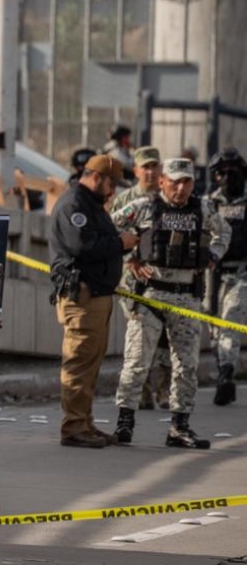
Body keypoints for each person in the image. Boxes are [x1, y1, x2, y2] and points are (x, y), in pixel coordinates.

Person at [110, 157, 229, 449]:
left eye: (186, 182)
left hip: (187, 297)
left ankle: (179, 427)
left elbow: (224, 231)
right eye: (174, 182)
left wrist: (213, 255)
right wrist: (130, 258)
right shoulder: (144, 206)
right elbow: (110, 227)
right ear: (162, 181)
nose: (180, 188)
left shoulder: (203, 209)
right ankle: (124, 422)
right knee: (137, 361)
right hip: (150, 296)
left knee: (186, 365)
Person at [50, 155, 138, 448]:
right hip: (82, 296)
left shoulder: (91, 205)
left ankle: (84, 422)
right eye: (112, 184)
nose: (113, 191)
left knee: (90, 362)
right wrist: (120, 243)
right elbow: (82, 246)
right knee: (79, 362)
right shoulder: (74, 204)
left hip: (96, 295)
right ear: (97, 177)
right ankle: (74, 427)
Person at [110, 146, 171, 410]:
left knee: (166, 337)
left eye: (154, 166)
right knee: (140, 337)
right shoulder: (125, 200)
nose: (150, 172)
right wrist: (129, 259)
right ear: (135, 170)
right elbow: (110, 235)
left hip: (165, 278)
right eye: (145, 167)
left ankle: (165, 391)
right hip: (133, 281)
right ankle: (144, 392)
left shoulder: (170, 197)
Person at [208, 148, 247, 406]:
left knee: (230, 320)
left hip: (241, 272)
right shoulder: (209, 203)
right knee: (213, 326)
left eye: (232, 172)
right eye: (221, 172)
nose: (226, 177)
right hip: (213, 273)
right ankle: (223, 369)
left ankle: (225, 374)